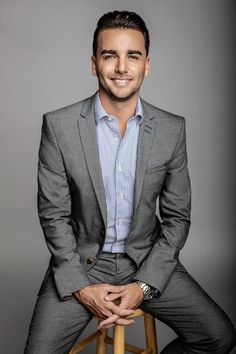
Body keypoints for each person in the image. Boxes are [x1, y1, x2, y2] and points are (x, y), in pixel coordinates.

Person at [24, 10, 236, 354]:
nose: (122, 67)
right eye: (110, 55)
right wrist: (81, 288)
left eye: (132, 56)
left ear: (146, 65)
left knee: (218, 336)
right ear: (94, 64)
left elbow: (177, 218)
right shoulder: (59, 127)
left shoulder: (171, 129)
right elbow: (54, 215)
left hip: (147, 258)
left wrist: (145, 285)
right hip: (81, 261)